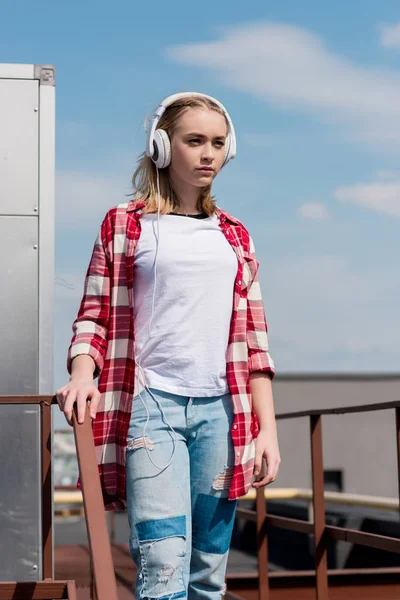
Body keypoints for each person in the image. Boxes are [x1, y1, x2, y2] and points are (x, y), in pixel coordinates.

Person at [56, 92, 281, 600]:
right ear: (163, 146)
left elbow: (255, 342)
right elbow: (94, 314)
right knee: (161, 560)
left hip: (223, 412)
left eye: (219, 143)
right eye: (194, 140)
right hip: (151, 407)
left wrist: (268, 428)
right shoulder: (125, 224)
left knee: (207, 568)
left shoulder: (235, 236)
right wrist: (82, 373)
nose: (208, 154)